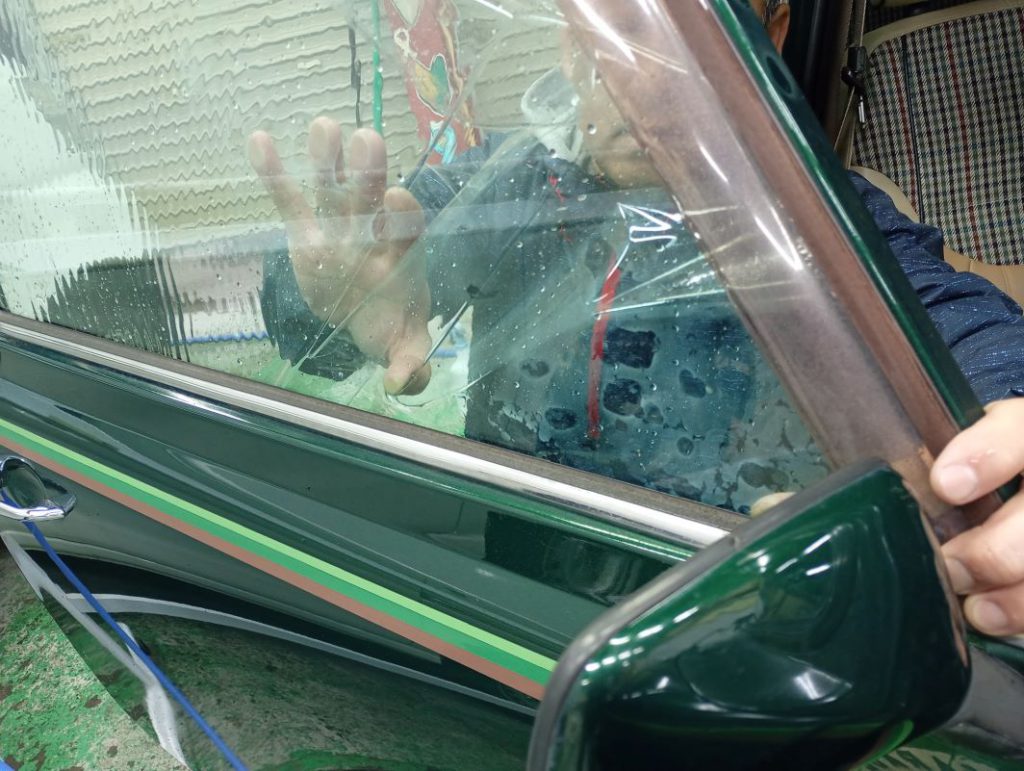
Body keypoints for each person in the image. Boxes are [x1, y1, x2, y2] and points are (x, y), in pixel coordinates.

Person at [248, 0, 1024, 637]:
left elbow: (956, 320)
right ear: (569, 40)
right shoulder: (509, 190)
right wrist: (326, 295)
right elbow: (336, 304)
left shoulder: (815, 214)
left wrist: (1005, 422)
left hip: (731, 635)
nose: (644, 75)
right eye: (617, 25)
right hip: (510, 622)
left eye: (691, 29)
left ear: (769, 33)